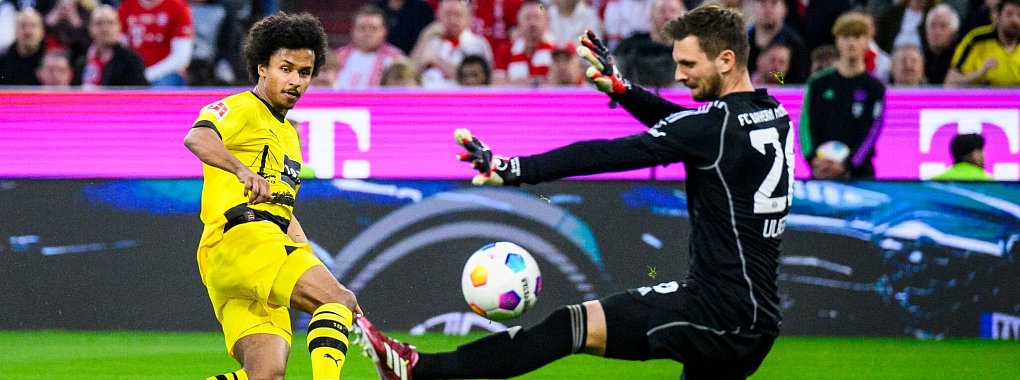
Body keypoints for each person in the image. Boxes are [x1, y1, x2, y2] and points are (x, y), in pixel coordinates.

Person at [355, 5, 791, 379]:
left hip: (718, 312)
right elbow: (685, 126)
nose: (679, 75)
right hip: (750, 313)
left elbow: (611, 153)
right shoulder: (772, 112)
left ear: (726, 60)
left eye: (689, 64)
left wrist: (516, 168)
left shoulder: (710, 128)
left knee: (570, 326)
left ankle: (417, 369)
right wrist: (623, 90)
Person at [182, 12, 359, 380]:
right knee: (337, 300)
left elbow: (284, 213)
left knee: (266, 374)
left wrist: (316, 267)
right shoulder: (243, 107)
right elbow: (197, 137)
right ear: (262, 68)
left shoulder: (289, 136)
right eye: (286, 68)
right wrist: (241, 170)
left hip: (248, 253)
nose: (296, 81)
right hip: (244, 241)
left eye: (305, 73)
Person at [800, 12, 886, 180]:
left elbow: (871, 132)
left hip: (859, 175)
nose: (851, 43)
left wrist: (847, 164)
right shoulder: (818, 82)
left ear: (867, 41)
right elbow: (805, 124)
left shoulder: (875, 87)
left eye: (857, 36)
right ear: (837, 41)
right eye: (845, 37)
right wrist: (813, 159)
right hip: (821, 172)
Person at [613, 0, 687, 89]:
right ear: (650, 15)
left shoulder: (689, 51)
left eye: (673, 11)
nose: (667, 17)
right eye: (662, 11)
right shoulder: (629, 47)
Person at [119, 0, 194, 86]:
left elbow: (181, 58)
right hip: (134, 71)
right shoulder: (127, 7)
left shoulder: (178, 7)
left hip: (165, 73)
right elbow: (121, 48)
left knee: (165, 83)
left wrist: (146, 75)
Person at [945, 0, 1020, 86]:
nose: (1015, 20)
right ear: (997, 17)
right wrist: (980, 73)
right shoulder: (976, 39)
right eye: (1009, 14)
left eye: (1019, 15)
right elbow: (950, 81)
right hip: (983, 94)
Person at [75, 4, 149, 87]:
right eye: (99, 23)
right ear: (90, 28)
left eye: (110, 23)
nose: (105, 28)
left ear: (119, 27)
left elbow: (139, 91)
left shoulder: (131, 60)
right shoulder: (82, 60)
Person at [334, 4, 406, 89]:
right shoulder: (337, 56)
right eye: (362, 28)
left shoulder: (396, 59)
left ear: (384, 31)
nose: (367, 33)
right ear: (353, 30)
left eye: (373, 28)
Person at [493, 0, 555, 86]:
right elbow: (497, 84)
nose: (532, 23)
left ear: (547, 21)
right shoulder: (506, 51)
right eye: (528, 18)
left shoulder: (558, 50)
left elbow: (563, 83)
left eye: (537, 17)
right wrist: (532, 83)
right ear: (518, 21)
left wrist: (518, 83)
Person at [0, 8, 45, 85]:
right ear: (15, 30)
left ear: (42, 31)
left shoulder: (52, 61)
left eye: (33, 25)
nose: (28, 31)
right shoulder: (3, 60)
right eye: (23, 25)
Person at [920, 3, 961, 84]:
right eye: (933, 25)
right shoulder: (919, 58)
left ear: (954, 32)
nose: (937, 32)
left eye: (943, 26)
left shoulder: (961, 58)